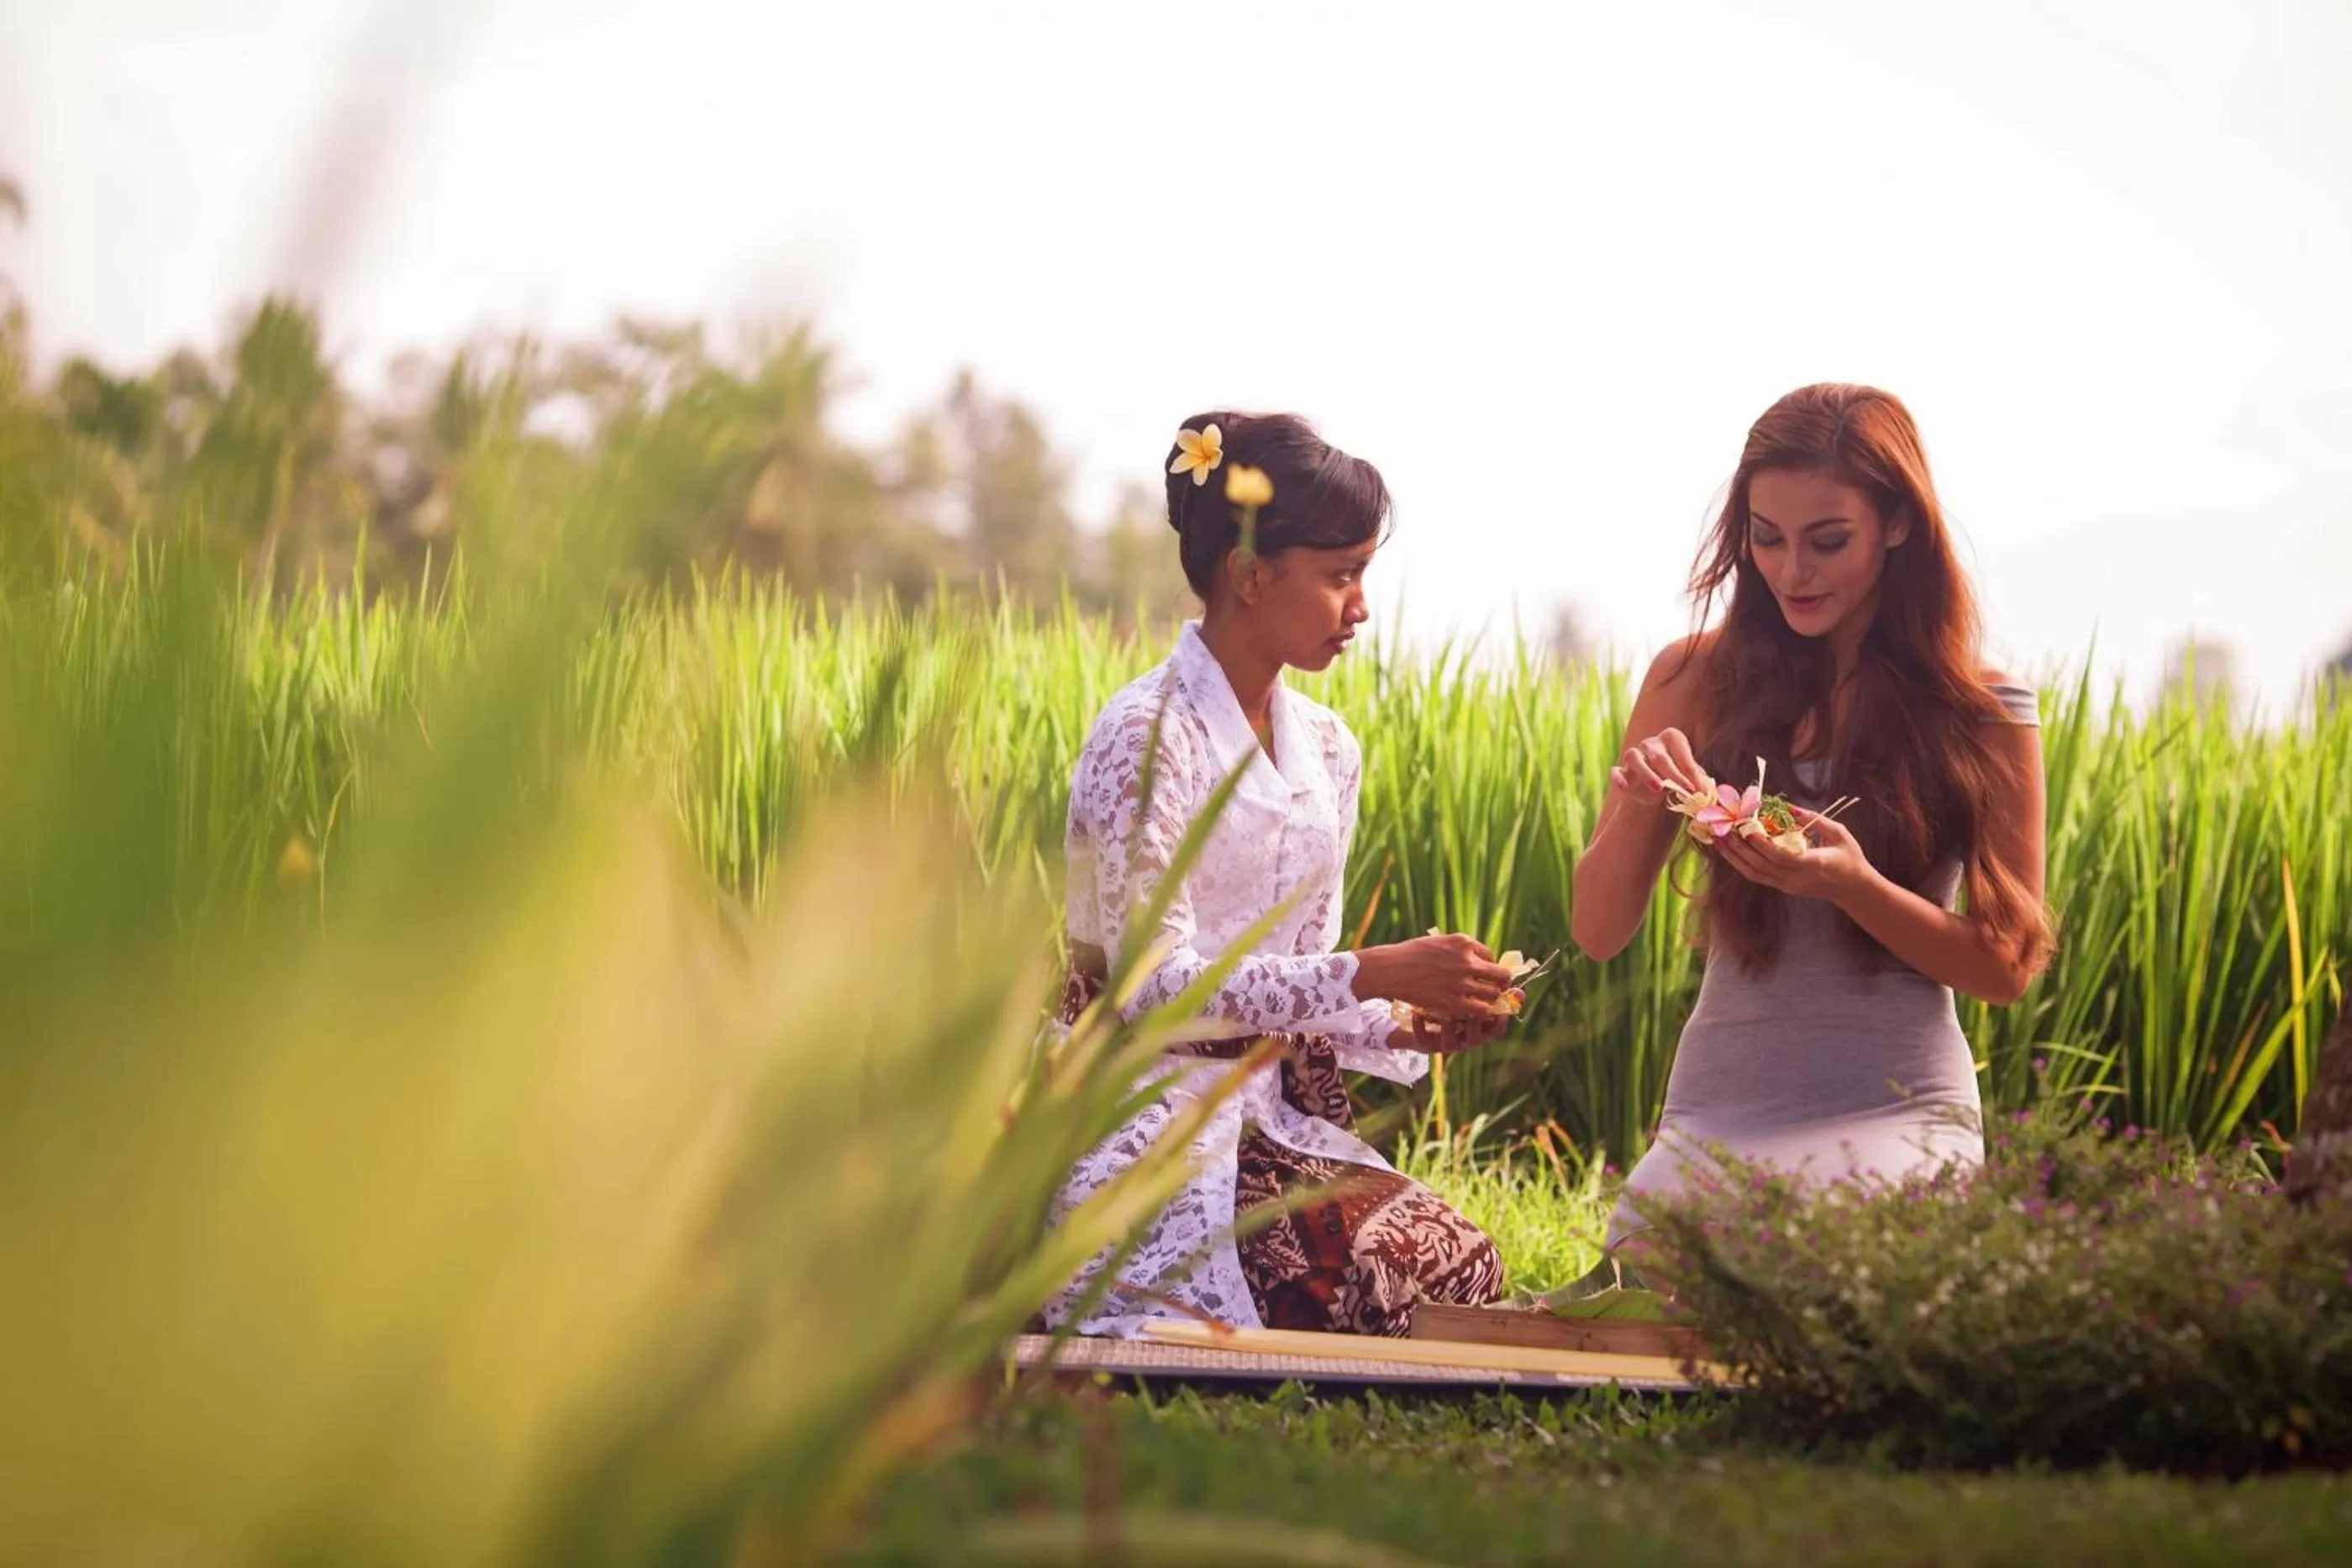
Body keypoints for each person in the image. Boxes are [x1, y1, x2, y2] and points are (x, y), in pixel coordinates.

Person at [1041, 411, 1515, 1338]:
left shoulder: (1329, 750)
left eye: (1364, 574)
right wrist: (1373, 971)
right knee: (1372, 1283)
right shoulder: (1145, 738)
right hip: (1140, 1115)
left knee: (1464, 1267)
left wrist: (1405, 1021)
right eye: (1341, 576)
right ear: (1252, 575)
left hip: (1258, 1115)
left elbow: (1301, 979)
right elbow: (1153, 990)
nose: (1360, 607)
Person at [1570, 383, 2053, 1250]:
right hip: (1720, 1105)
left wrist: (1854, 887)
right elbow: (1597, 932)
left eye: (1828, 542)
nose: (1792, 572)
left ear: (1897, 525)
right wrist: (1645, 802)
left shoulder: (1983, 709)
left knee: (1834, 1266)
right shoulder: (1692, 678)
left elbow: (2005, 969)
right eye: (1767, 538)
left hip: (1900, 1105)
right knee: (1659, 1276)